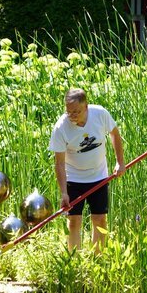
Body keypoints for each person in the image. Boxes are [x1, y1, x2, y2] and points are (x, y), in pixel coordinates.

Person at [49, 88, 125, 253]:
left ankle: (97, 261)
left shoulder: (100, 114)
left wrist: (120, 162)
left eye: (76, 111)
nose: (72, 116)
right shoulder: (61, 127)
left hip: (99, 176)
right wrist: (63, 192)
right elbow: (59, 163)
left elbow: (114, 134)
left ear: (86, 107)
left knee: (100, 220)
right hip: (73, 178)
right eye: (69, 112)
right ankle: (74, 263)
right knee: (74, 221)